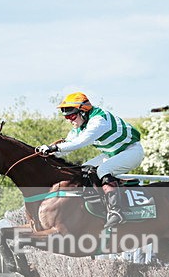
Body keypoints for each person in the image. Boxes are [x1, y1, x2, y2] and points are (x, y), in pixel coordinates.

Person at [36, 92, 145, 228]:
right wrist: (47, 154)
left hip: (132, 152)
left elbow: (80, 142)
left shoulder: (98, 121)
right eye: (66, 117)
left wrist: (54, 148)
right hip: (113, 153)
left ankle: (116, 212)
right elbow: (68, 145)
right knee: (83, 169)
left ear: (83, 112)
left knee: (103, 170)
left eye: (71, 116)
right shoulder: (81, 125)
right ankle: (98, 204)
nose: (69, 120)